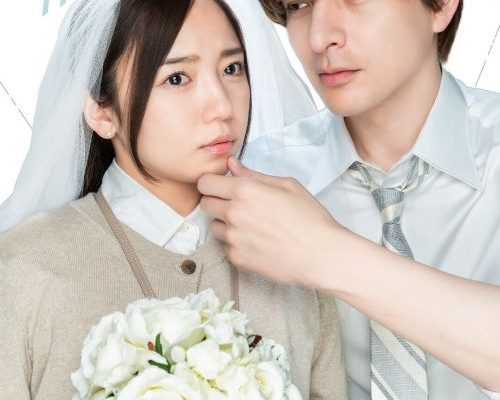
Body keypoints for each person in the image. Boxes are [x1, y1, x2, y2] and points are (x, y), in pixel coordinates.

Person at [0, 1, 347, 399]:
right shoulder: (22, 271)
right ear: (101, 111)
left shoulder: (295, 260)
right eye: (177, 78)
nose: (222, 106)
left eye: (232, 69)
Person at [198, 0, 500, 399]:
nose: (319, 38)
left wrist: (323, 252)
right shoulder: (254, 178)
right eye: (298, 5)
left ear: (441, 6)